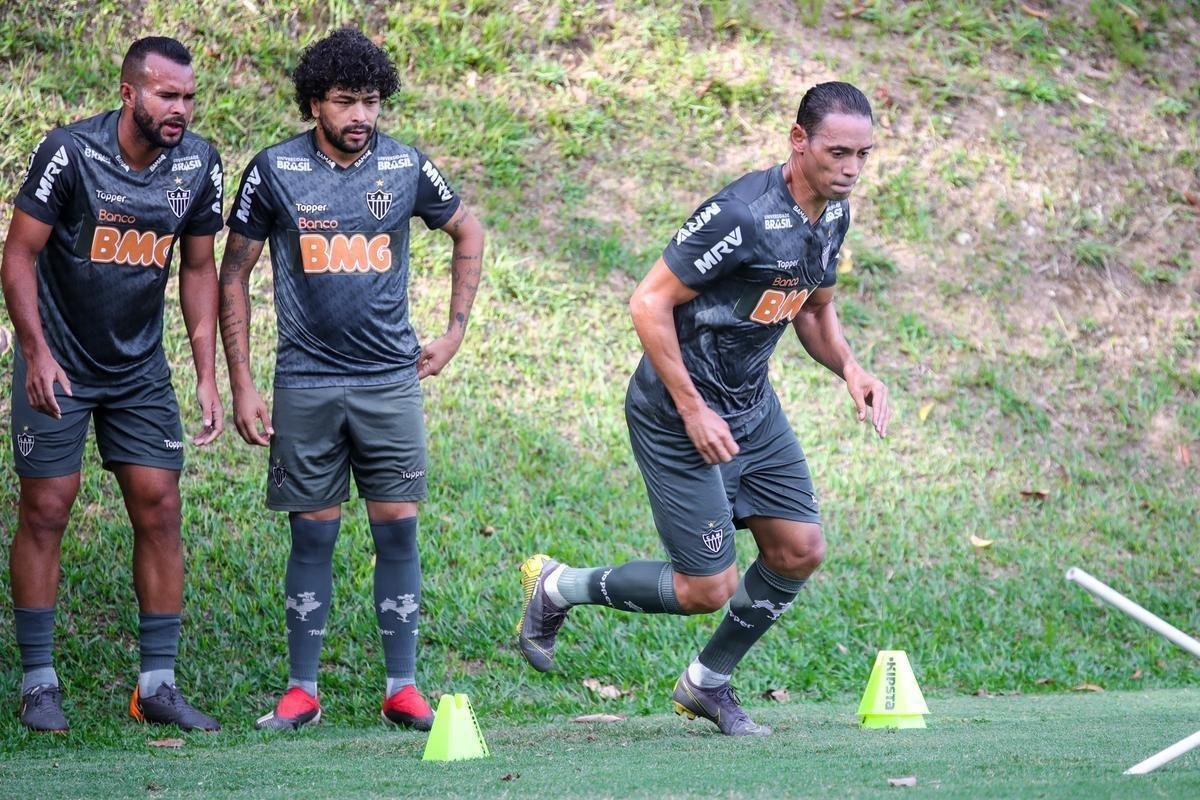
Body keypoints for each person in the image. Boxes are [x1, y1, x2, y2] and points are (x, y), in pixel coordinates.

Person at [518, 82, 891, 736]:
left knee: (799, 550)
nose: (851, 169)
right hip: (676, 412)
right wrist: (692, 408)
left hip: (752, 407)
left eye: (863, 155)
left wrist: (850, 368)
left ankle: (706, 683)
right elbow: (648, 302)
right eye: (838, 152)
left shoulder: (833, 214)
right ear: (798, 140)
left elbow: (815, 307)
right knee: (704, 589)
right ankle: (557, 587)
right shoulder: (740, 214)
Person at [218, 27, 484, 732]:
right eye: (345, 101)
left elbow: (468, 231)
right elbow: (233, 274)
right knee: (313, 536)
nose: (360, 115)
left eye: (370, 101)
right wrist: (242, 383)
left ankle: (402, 687)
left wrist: (454, 331)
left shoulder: (405, 167)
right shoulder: (274, 170)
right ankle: (301, 691)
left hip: (389, 383)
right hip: (305, 381)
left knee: (398, 532)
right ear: (314, 105)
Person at [2, 37, 225, 733]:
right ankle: (39, 683)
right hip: (60, 356)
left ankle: (157, 685)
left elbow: (197, 270)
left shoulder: (199, 163)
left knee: (159, 505)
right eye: (166, 95)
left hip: (138, 370)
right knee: (47, 507)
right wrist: (35, 353)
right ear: (129, 93)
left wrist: (207, 374)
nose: (180, 109)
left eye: (188, 97)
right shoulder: (68, 152)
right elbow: (17, 255)